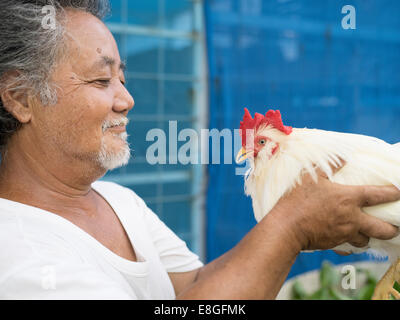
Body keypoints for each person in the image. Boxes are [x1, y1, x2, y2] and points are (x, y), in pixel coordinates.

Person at [0, 0, 399, 300]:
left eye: (122, 78)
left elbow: (195, 289)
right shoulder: (22, 257)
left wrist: (293, 224)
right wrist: (292, 225)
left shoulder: (119, 201)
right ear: (21, 98)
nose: (127, 99)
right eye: (101, 80)